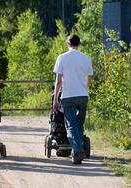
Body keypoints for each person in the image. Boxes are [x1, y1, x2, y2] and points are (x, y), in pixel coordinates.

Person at [53, 34, 93, 164]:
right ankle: (77, 152)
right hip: (83, 95)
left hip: (68, 95)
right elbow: (89, 80)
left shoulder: (62, 58)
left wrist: (55, 99)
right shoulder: (86, 58)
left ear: (68, 43)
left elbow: (59, 81)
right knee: (79, 124)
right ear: (79, 44)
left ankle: (78, 150)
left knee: (70, 125)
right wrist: (82, 87)